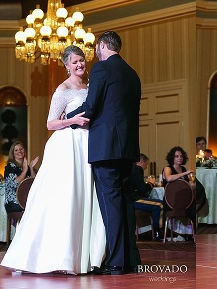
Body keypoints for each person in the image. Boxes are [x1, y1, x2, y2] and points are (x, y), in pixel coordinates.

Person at [1, 45, 105, 274]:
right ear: (66, 65)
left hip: (86, 145)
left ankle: (80, 256)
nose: (80, 65)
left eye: (82, 61)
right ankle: (51, 256)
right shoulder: (63, 89)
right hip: (67, 146)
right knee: (63, 197)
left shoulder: (90, 87)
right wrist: (72, 120)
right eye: (75, 62)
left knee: (82, 197)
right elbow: (50, 123)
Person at [65, 31, 142, 275]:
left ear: (100, 46)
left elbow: (92, 106)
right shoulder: (133, 74)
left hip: (106, 148)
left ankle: (116, 261)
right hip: (128, 149)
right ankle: (130, 258)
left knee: (111, 204)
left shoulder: (101, 69)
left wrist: (69, 118)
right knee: (126, 202)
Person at [161, 146, 197, 224]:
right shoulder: (167, 168)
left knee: (195, 201)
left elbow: (188, 184)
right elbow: (169, 178)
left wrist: (193, 184)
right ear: (172, 158)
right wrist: (184, 173)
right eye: (177, 156)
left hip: (183, 198)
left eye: (181, 156)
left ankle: (189, 232)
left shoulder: (183, 169)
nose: (179, 158)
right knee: (191, 206)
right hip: (171, 200)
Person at [131, 154, 163, 241]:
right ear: (141, 162)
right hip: (134, 199)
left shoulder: (131, 168)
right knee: (159, 205)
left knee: (159, 203)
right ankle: (157, 231)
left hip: (131, 198)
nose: (146, 167)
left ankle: (151, 230)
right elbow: (143, 189)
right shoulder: (137, 169)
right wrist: (151, 184)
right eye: (146, 164)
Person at [2, 141, 39, 213]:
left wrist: (31, 168)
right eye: (16, 150)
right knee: (35, 208)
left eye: (21, 149)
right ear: (13, 154)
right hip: (14, 201)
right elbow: (15, 184)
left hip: (27, 199)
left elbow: (35, 183)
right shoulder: (10, 167)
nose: (19, 151)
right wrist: (24, 171)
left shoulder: (26, 167)